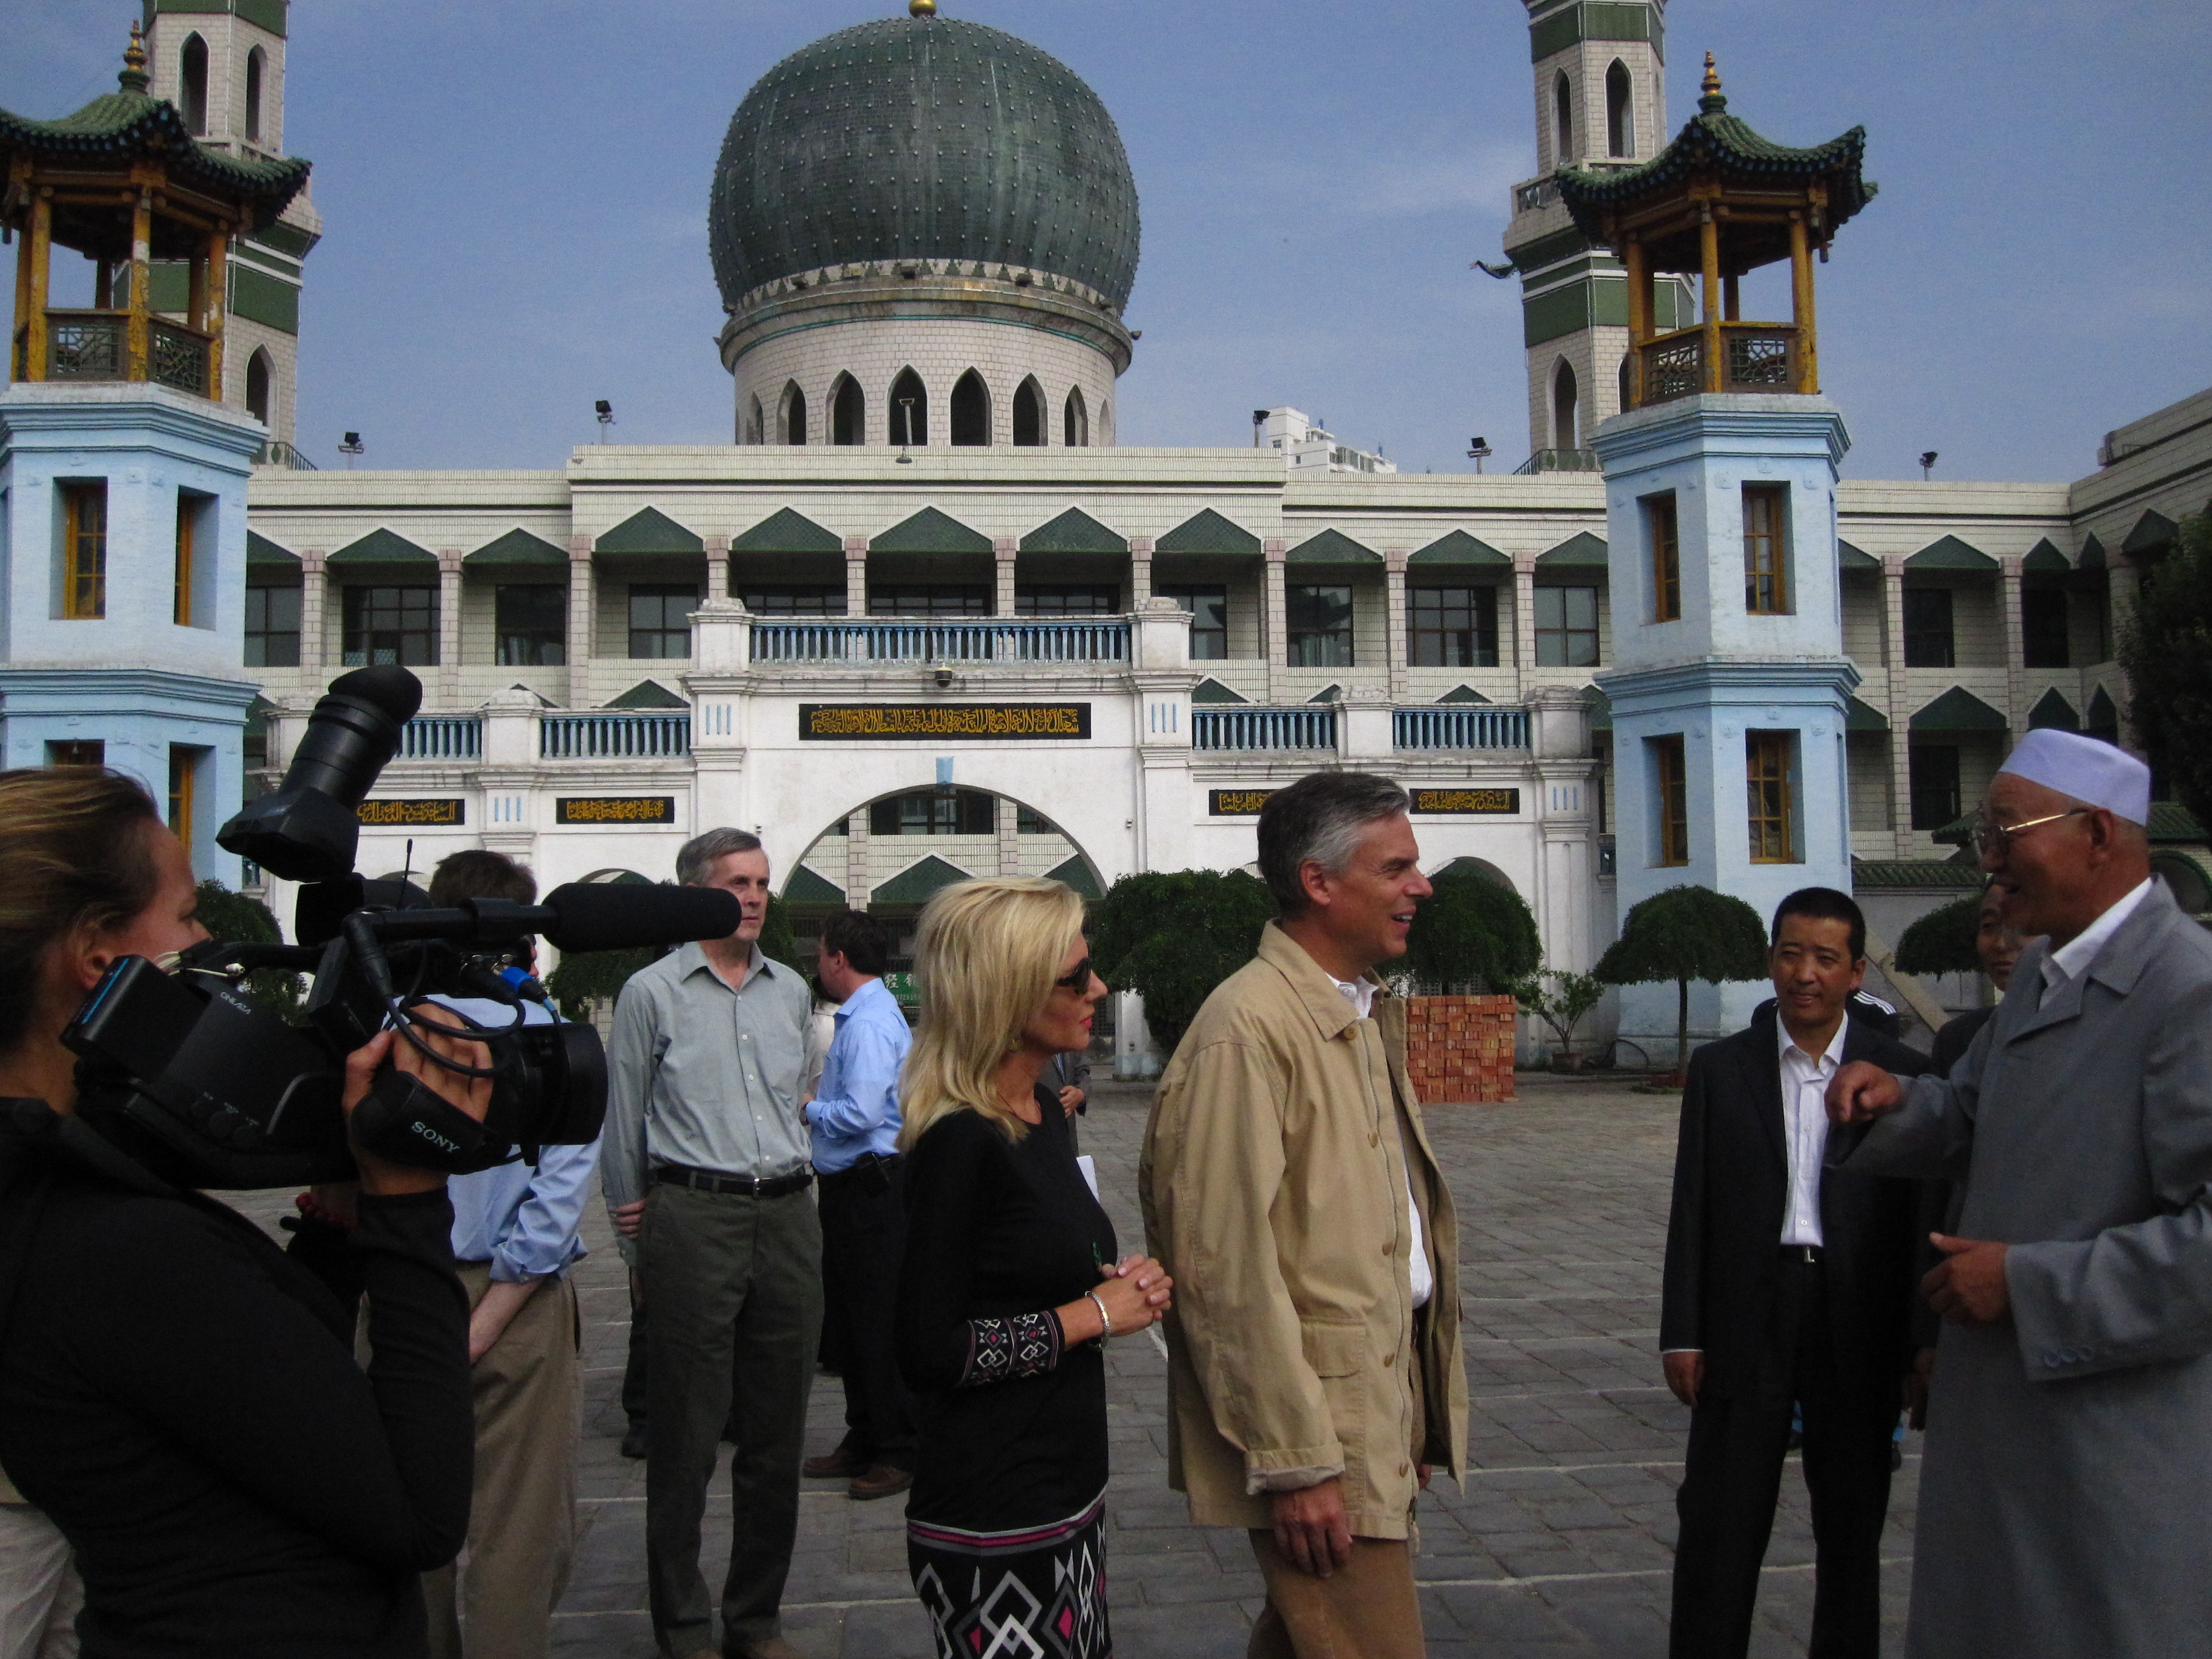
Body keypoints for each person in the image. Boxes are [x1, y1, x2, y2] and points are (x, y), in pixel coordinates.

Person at [0, 765, 484, 1655]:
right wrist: (408, 1197)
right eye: (186, 917)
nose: (210, 943)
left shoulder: (47, 1189)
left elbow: (255, 1408)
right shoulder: (117, 1249)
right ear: (99, 959)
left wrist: (340, 1220)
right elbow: (417, 1516)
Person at [1826, 728, 2212, 1657]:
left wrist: (2030, 1285)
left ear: (2100, 835)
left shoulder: (2186, 992)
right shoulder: (2045, 971)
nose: (1989, 864)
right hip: (2008, 1431)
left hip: (2109, 1446)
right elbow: (1978, 1111)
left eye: (2008, 833)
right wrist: (1896, 1105)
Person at [1140, 771, 1467, 1659]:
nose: (1422, 886)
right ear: (1319, 882)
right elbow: (1223, 1274)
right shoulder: (1248, 1033)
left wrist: (1413, 1408)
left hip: (1367, 1404)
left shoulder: (1351, 1011)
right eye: (1396, 866)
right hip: (1319, 1429)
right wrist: (1294, 1460)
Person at [894, 879, 1171, 1659]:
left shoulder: (1045, 1112)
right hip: (994, 1512)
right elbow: (929, 1348)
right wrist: (1094, 1316)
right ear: (1006, 991)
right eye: (1075, 977)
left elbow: (1031, 1263)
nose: (1099, 989)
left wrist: (1117, 1284)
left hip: (1069, 1488)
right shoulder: (959, 1141)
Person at [1658, 888, 1933, 1659]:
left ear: (1854, 972)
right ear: (1771, 960)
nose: (1804, 973)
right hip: (1750, 1310)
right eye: (1790, 953)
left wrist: (1921, 1342)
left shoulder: (1903, 1076)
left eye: (1824, 958)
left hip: (1856, 1317)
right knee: (1721, 1517)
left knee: (1852, 1523)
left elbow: (1918, 1220)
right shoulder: (1722, 1070)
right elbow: (1694, 1205)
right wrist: (1682, 1332)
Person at [601, 828, 817, 1659]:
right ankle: (684, 1627)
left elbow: (794, 1097)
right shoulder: (652, 993)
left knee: (775, 1438)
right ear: (696, 893)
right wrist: (637, 1251)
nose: (756, 896)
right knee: (686, 1441)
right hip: (694, 1215)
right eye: (737, 883)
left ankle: (754, 1620)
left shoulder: (790, 990)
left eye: (762, 881)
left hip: (790, 1214)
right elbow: (624, 1128)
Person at [418, 849, 599, 1659]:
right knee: (518, 1533)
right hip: (514, 1304)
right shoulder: (554, 1041)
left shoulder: (395, 1026)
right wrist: (489, 1321)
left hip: (406, 1288)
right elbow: (555, 1203)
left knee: (414, 1517)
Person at [800, 911, 918, 1501]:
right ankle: (865, 1434)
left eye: (821, 953)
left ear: (839, 960)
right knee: (850, 1319)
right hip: (852, 1189)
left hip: (871, 1188)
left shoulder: (868, 1024)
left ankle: (898, 1446)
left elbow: (862, 1114)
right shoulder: (864, 1016)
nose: (818, 964)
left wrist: (810, 1108)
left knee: (876, 1320)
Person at [1928, 884, 2026, 1077]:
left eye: (2022, 927)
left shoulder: (2096, 1030)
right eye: (1989, 926)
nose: (2001, 944)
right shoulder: (1960, 1038)